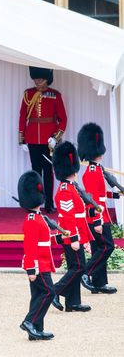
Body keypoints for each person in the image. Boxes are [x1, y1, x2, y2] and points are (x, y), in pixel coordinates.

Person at [18, 67, 67, 214]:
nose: (37, 81)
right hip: (32, 138)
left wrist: (55, 137)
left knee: (48, 172)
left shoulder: (55, 95)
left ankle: (49, 203)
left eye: (40, 78)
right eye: (36, 78)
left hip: (49, 140)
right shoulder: (28, 94)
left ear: (47, 78)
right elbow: (22, 116)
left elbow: (63, 119)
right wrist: (22, 139)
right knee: (35, 172)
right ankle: (35, 203)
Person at [51, 141, 93, 312]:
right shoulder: (65, 190)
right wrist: (75, 239)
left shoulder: (70, 187)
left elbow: (79, 216)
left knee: (76, 267)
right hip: (71, 236)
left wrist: (84, 238)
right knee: (78, 268)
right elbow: (68, 219)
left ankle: (73, 302)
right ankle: (55, 291)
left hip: (76, 234)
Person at [78, 123, 119, 294]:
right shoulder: (93, 172)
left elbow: (100, 195)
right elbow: (92, 200)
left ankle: (99, 283)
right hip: (98, 216)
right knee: (107, 247)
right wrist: (97, 221)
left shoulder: (96, 170)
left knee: (99, 248)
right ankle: (86, 272)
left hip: (101, 214)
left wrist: (115, 195)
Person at [17, 171, 59, 341]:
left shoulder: (38, 217)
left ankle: (36, 329)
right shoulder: (32, 220)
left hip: (43, 262)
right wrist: (31, 269)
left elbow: (44, 241)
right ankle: (29, 321)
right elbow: (30, 247)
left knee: (37, 295)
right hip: (38, 264)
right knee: (49, 292)